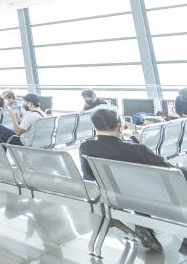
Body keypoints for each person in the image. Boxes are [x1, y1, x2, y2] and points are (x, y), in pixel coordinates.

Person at [80, 108, 187, 254]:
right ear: (120, 126)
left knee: (132, 186)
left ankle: (144, 227)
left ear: (94, 126)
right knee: (145, 184)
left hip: (112, 197)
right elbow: (172, 172)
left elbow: (88, 176)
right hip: (151, 199)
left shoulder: (85, 147)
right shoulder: (137, 150)